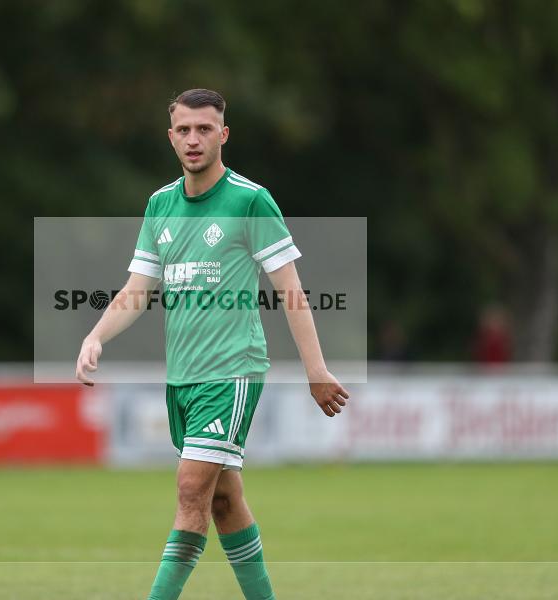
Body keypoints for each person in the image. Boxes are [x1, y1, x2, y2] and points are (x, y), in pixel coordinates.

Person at [75, 88, 348, 600]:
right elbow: (137, 291)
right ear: (171, 137)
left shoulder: (249, 200)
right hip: (181, 379)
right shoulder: (160, 204)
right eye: (184, 130)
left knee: (190, 491)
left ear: (223, 135)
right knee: (223, 501)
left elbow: (290, 291)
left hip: (232, 373)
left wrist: (316, 369)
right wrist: (95, 335)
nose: (194, 139)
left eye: (205, 129)